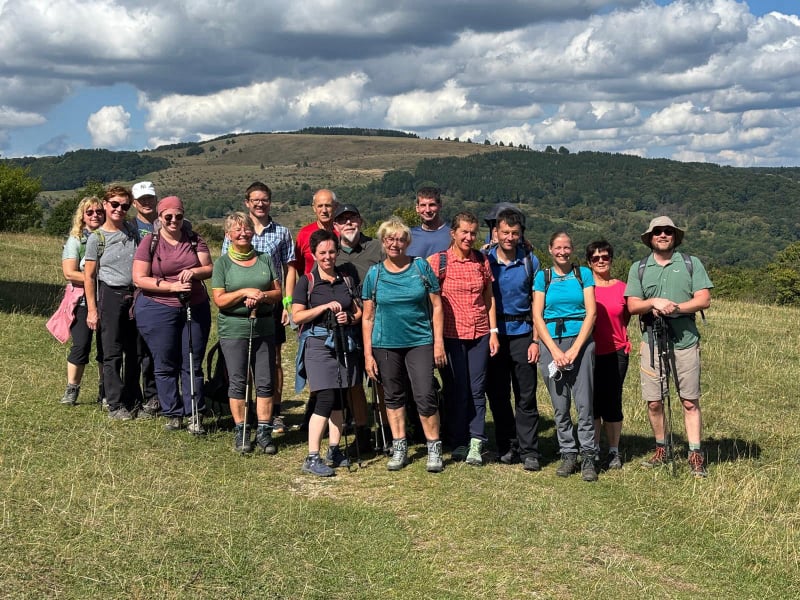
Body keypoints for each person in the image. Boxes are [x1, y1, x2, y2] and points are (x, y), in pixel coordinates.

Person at [625, 216, 713, 478]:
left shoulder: (690, 263)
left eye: (668, 231)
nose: (663, 235)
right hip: (652, 342)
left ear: (674, 236)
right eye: (657, 232)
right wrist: (654, 302)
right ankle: (662, 449)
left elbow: (704, 299)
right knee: (654, 402)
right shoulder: (639, 268)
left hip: (685, 341)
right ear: (650, 238)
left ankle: (695, 454)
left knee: (689, 401)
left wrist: (675, 308)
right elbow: (633, 305)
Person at [361, 217, 446, 472]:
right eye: (390, 239)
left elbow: (437, 306)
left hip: (419, 341)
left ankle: (433, 448)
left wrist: (438, 342)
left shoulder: (420, 267)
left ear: (407, 242)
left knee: (425, 394)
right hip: (385, 344)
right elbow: (368, 317)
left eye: (400, 239)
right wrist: (368, 355)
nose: (395, 244)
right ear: (383, 241)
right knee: (393, 396)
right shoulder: (374, 274)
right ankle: (400, 447)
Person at [132, 196, 213, 434]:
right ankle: (173, 412)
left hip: (194, 306)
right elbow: (139, 278)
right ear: (160, 217)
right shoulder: (150, 242)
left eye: (178, 216)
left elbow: (208, 268)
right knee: (165, 362)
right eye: (168, 216)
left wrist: (194, 273)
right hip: (157, 307)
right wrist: (171, 287)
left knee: (192, 362)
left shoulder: (195, 239)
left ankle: (194, 413)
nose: (173, 220)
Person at [222, 182, 296, 434]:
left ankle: (274, 412)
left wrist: (287, 303)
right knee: (244, 362)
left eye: (264, 199)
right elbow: (227, 264)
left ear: (270, 202)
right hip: (240, 306)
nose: (260, 204)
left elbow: (289, 269)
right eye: (255, 200)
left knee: (273, 360)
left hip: (270, 303)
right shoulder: (236, 231)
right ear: (247, 203)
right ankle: (248, 413)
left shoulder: (282, 232)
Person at [430, 211, 499, 466]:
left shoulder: (481, 260)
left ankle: (476, 440)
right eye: (464, 232)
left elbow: (489, 297)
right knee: (457, 388)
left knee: (477, 389)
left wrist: (493, 332)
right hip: (451, 335)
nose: (469, 237)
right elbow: (429, 299)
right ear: (453, 233)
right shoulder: (439, 261)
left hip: (479, 333)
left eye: (473, 233)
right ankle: (458, 439)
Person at [292, 230, 362, 477]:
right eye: (322, 253)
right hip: (318, 344)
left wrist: (348, 318)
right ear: (313, 254)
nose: (327, 257)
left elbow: (358, 312)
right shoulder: (307, 281)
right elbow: (297, 316)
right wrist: (323, 308)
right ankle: (312, 457)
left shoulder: (346, 279)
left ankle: (334, 450)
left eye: (332, 251)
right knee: (325, 397)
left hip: (343, 342)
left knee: (341, 397)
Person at [211, 212, 282, 453]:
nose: (243, 233)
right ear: (228, 235)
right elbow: (219, 300)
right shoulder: (222, 264)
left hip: (264, 327)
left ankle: (264, 432)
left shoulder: (265, 259)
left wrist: (261, 296)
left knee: (265, 381)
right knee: (238, 382)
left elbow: (277, 292)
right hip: (234, 329)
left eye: (247, 229)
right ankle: (242, 432)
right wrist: (244, 293)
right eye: (237, 230)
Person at [533, 231, 598, 481]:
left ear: (572, 249)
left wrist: (575, 349)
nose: (563, 252)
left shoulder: (584, 274)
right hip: (551, 344)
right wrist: (555, 351)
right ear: (550, 249)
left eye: (567, 247)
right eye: (558, 247)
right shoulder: (543, 277)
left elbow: (591, 313)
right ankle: (568, 453)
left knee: (584, 403)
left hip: (580, 343)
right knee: (560, 405)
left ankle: (589, 455)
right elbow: (537, 316)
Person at [485, 208, 543, 471]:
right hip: (494, 333)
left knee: (525, 395)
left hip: (523, 333)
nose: (509, 237)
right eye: (505, 232)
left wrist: (535, 340)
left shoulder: (531, 261)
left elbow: (537, 303)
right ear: (496, 232)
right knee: (498, 394)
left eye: (515, 233)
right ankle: (507, 446)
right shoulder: (485, 260)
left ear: (521, 235)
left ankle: (530, 450)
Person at [84, 185, 142, 420]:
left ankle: (133, 398)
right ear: (106, 205)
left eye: (124, 206)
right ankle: (114, 403)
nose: (119, 209)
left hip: (134, 295)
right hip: (110, 294)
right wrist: (92, 309)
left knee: (135, 350)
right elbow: (89, 276)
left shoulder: (132, 232)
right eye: (115, 204)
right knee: (112, 351)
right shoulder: (97, 238)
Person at [333, 203, 383, 453]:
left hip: (379, 323)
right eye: (343, 220)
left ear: (361, 221)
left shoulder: (377, 247)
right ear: (336, 226)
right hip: (349, 326)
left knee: (381, 379)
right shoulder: (331, 252)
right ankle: (362, 432)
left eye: (353, 218)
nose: (349, 223)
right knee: (354, 383)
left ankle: (387, 432)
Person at [586, 240, 630, 470]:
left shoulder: (623, 288)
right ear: (589, 262)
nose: (601, 261)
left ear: (611, 259)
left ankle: (613, 450)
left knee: (612, 401)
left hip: (616, 351)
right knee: (592, 402)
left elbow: (626, 317)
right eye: (596, 258)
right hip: (589, 351)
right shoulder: (585, 288)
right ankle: (593, 448)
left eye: (605, 257)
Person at [58, 196, 106, 406]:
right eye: (90, 212)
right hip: (82, 303)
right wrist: (96, 278)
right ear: (83, 216)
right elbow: (69, 273)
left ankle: (106, 389)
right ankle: (72, 389)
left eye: (99, 211)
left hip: (108, 300)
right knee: (81, 345)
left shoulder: (111, 237)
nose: (95, 215)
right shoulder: (76, 240)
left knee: (108, 348)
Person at [130, 181, 161, 417]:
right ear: (134, 203)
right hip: (135, 291)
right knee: (135, 349)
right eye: (142, 200)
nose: (147, 203)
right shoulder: (128, 227)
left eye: (150, 198)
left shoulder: (166, 223)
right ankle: (134, 396)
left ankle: (154, 396)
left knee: (155, 349)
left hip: (161, 291)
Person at [290, 188, 337, 277]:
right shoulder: (304, 234)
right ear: (314, 208)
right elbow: (299, 266)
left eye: (328, 206)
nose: (324, 210)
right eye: (320, 206)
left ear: (335, 206)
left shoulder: (341, 232)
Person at [407, 184, 451, 258]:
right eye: (423, 205)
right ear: (417, 208)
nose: (427, 210)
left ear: (440, 205)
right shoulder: (408, 236)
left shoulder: (452, 235)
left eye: (432, 205)